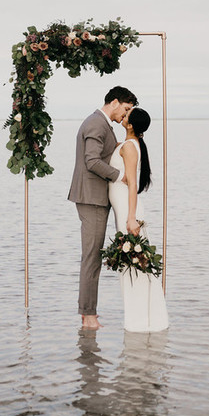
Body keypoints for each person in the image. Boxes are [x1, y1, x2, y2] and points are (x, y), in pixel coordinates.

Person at [68, 86, 138, 330]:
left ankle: (88, 313)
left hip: (95, 197)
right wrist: (121, 176)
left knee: (93, 256)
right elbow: (92, 161)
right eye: (126, 109)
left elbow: (104, 153)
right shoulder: (97, 124)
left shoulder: (102, 124)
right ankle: (88, 316)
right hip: (91, 198)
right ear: (115, 102)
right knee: (92, 257)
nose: (125, 115)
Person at [108, 108, 169, 332]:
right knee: (131, 265)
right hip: (123, 210)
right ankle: (139, 317)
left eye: (127, 114)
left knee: (135, 266)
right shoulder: (127, 145)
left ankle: (142, 321)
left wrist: (131, 218)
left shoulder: (130, 147)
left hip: (128, 211)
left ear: (131, 124)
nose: (124, 114)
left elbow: (133, 184)